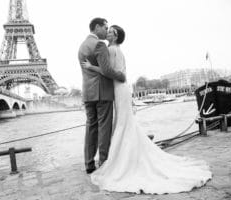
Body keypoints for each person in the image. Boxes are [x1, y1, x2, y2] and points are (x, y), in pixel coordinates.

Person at [81, 25, 212, 194]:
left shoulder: (112, 49)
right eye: (108, 30)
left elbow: (111, 72)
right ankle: (124, 157)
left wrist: (92, 68)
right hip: (119, 89)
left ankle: (120, 159)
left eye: (111, 31)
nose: (107, 32)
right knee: (124, 124)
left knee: (122, 124)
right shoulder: (115, 49)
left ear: (115, 36)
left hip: (119, 89)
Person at [78, 18, 126, 174]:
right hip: (102, 93)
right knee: (104, 128)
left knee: (90, 128)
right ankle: (104, 163)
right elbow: (106, 70)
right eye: (105, 28)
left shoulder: (82, 46)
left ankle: (89, 163)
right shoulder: (99, 44)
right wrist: (121, 76)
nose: (106, 31)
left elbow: (89, 70)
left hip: (88, 93)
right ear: (97, 27)